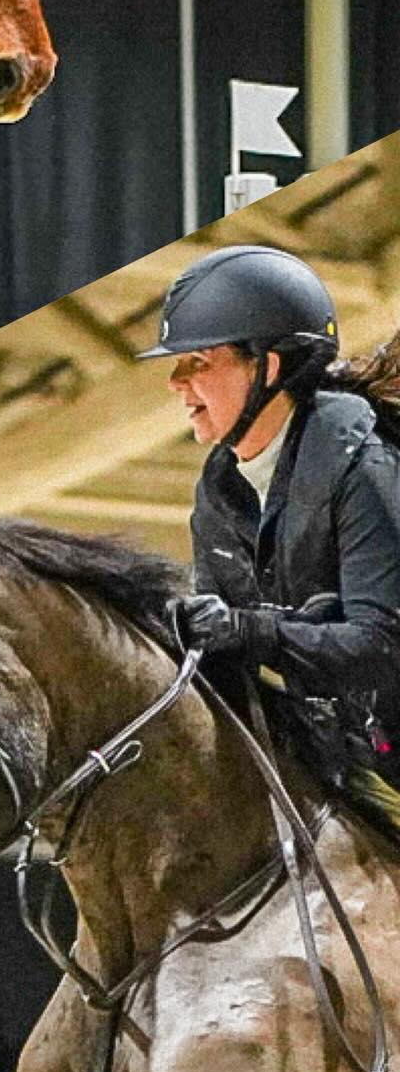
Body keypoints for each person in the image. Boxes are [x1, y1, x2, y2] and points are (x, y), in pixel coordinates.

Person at [139, 243, 400, 821]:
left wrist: (249, 631)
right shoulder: (219, 490)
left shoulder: (365, 465)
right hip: (351, 764)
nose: (176, 382)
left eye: (198, 362)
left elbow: (379, 648)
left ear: (269, 367)